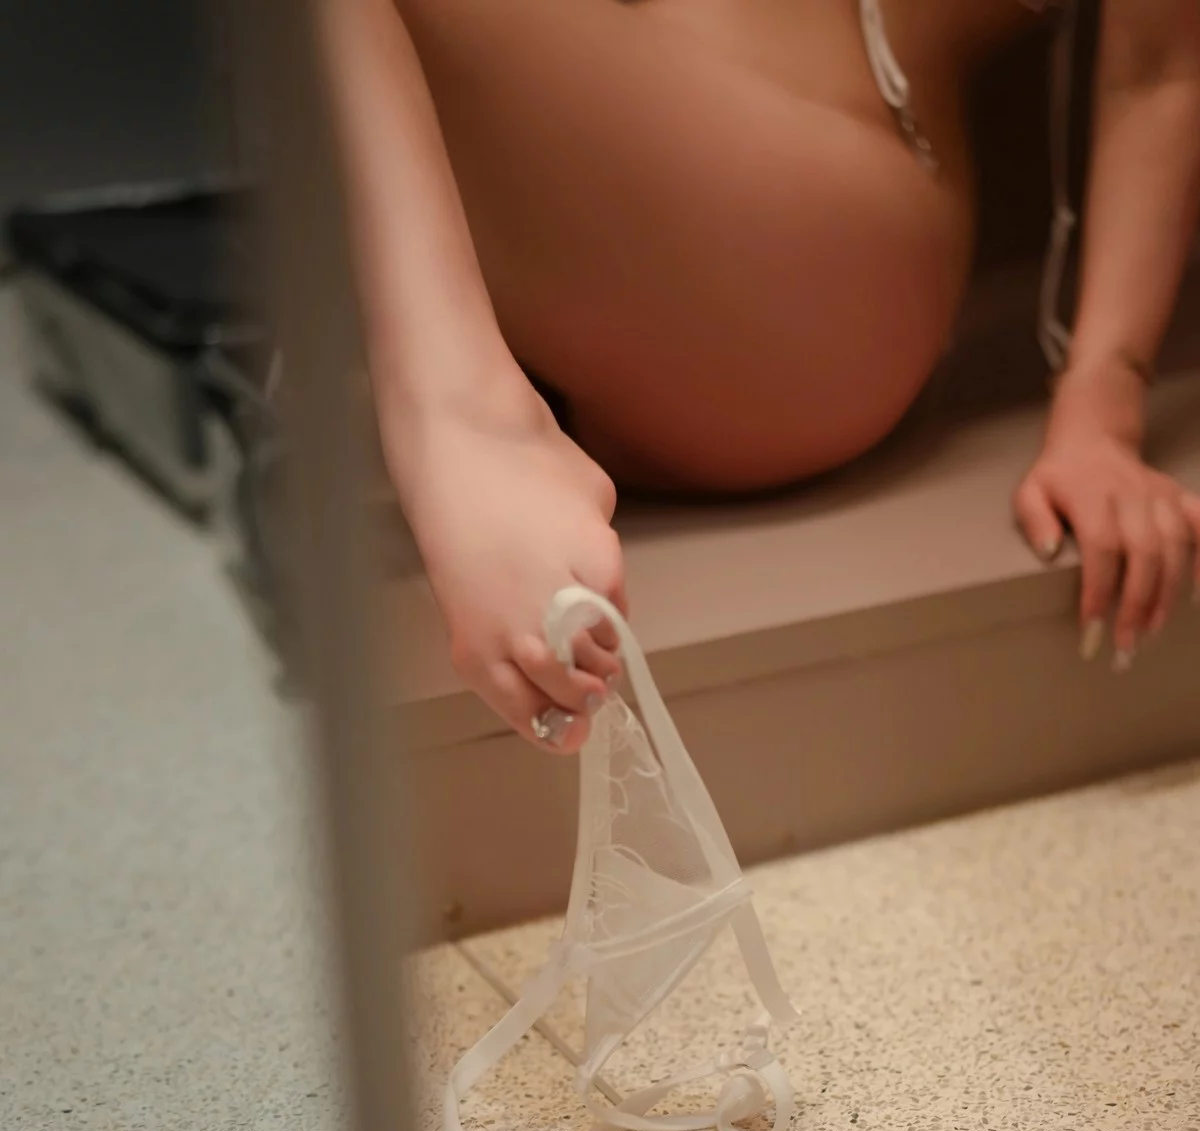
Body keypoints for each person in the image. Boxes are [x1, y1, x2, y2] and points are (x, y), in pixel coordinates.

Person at [316, 0, 1200, 748]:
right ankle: (459, 407)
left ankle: (466, 416)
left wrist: (1102, 411)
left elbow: (1159, 72)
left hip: (822, 211)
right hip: (627, 120)